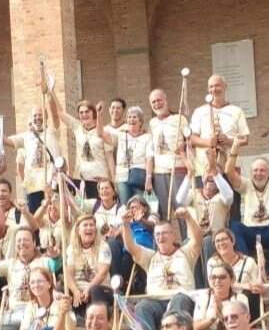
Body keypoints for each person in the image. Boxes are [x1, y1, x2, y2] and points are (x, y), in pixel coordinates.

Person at [121, 208, 201, 330]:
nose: (160, 237)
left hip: (181, 301)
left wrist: (188, 218)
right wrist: (125, 225)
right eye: (157, 234)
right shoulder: (150, 257)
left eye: (164, 233)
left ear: (173, 236)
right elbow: (131, 246)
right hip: (156, 303)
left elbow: (198, 240)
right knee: (142, 306)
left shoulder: (185, 253)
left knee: (179, 299)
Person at [225, 128, 269, 280]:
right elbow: (229, 171)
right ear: (251, 172)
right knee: (235, 226)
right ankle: (248, 267)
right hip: (251, 232)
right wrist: (235, 146)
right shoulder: (246, 184)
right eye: (255, 170)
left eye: (262, 170)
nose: (258, 173)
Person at [176, 152, 233, 286]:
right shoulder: (194, 193)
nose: (211, 176)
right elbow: (180, 199)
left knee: (207, 243)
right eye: (208, 172)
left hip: (214, 238)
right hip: (193, 238)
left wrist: (215, 172)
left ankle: (209, 286)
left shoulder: (223, 196)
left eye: (215, 175)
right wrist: (189, 174)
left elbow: (229, 196)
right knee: (186, 246)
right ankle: (195, 286)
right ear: (202, 178)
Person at [47, 89, 113, 197]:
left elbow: (110, 158)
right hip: (81, 179)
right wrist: (52, 92)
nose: (84, 115)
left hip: (98, 180)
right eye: (81, 112)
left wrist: (112, 179)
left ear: (93, 113)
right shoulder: (77, 127)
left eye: (87, 112)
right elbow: (60, 113)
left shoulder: (103, 132)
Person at [189, 75, 250, 188]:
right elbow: (192, 139)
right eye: (211, 86)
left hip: (230, 167)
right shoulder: (199, 111)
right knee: (206, 199)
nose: (214, 89)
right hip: (204, 168)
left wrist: (229, 141)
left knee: (231, 199)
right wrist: (208, 142)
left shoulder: (237, 111)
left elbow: (245, 139)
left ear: (225, 87)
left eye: (217, 85)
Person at [5, 104, 61, 212]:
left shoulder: (53, 131)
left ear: (46, 116)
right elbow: (7, 141)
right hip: (33, 185)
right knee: (35, 215)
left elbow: (55, 114)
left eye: (40, 115)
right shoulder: (26, 136)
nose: (38, 117)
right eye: (35, 115)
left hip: (51, 182)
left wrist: (49, 96)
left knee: (54, 212)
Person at [148, 88, 190, 222]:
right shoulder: (152, 123)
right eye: (153, 102)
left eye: (159, 100)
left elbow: (190, 140)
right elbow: (150, 151)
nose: (157, 104)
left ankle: (186, 235)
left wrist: (183, 145)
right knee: (162, 213)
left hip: (178, 170)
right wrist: (149, 176)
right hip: (159, 173)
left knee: (182, 210)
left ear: (165, 100)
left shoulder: (180, 118)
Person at [100, 106, 151, 204]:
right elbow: (100, 134)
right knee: (124, 205)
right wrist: (99, 115)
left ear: (140, 121)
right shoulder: (121, 135)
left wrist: (148, 179)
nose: (132, 119)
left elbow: (149, 159)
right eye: (129, 117)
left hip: (139, 177)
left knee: (141, 204)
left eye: (135, 117)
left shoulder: (147, 137)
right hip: (122, 177)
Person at [65, 214, 113, 312]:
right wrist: (75, 291)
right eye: (85, 225)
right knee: (62, 290)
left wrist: (88, 289)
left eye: (92, 225)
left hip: (100, 289)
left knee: (95, 290)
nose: (89, 228)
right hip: (78, 290)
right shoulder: (71, 248)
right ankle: (72, 318)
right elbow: (68, 273)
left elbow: (102, 273)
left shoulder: (103, 247)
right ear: (78, 230)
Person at [192, 263, 249, 330]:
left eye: (222, 277)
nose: (217, 281)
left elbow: (243, 326)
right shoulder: (204, 297)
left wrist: (222, 312)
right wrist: (213, 318)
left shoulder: (240, 298)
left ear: (232, 280)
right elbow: (195, 328)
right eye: (213, 277)